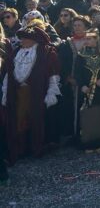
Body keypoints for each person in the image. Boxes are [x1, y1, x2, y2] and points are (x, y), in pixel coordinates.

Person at [2, 24, 60, 164]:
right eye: (21, 39)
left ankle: (36, 147)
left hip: (36, 93)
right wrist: (5, 92)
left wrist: (52, 93)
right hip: (17, 93)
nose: (21, 41)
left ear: (34, 40)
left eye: (25, 39)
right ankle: (20, 149)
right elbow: (8, 74)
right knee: (18, 121)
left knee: (35, 120)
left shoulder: (46, 52)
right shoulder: (16, 53)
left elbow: (53, 75)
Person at [75, 31, 100, 150]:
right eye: (85, 39)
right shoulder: (81, 55)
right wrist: (82, 86)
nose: (87, 41)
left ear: (96, 40)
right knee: (88, 114)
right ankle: (90, 143)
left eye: (89, 39)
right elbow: (78, 72)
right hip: (87, 88)